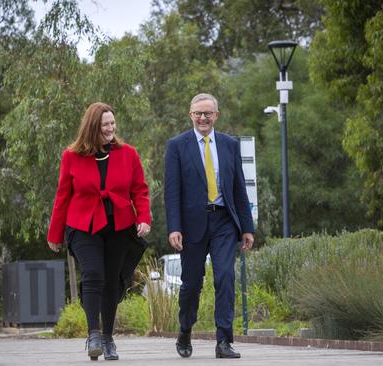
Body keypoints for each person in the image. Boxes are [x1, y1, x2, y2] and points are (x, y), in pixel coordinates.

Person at [47, 102, 151, 361]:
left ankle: (108, 338)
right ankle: (93, 334)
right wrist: (54, 234)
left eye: (112, 124)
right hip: (84, 225)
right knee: (93, 272)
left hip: (119, 225)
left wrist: (144, 218)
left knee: (112, 281)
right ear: (93, 126)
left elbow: (140, 189)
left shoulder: (128, 154)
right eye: (105, 124)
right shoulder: (72, 156)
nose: (110, 128)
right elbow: (62, 195)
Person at [164, 93, 255, 359]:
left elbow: (239, 187)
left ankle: (224, 341)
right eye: (198, 113)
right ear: (190, 115)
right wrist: (174, 227)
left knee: (225, 277)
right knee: (191, 284)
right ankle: (185, 329)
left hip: (224, 221)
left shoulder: (229, 144)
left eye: (208, 113)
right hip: (191, 225)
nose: (203, 118)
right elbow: (172, 192)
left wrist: (246, 227)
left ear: (217, 115)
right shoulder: (177, 145)